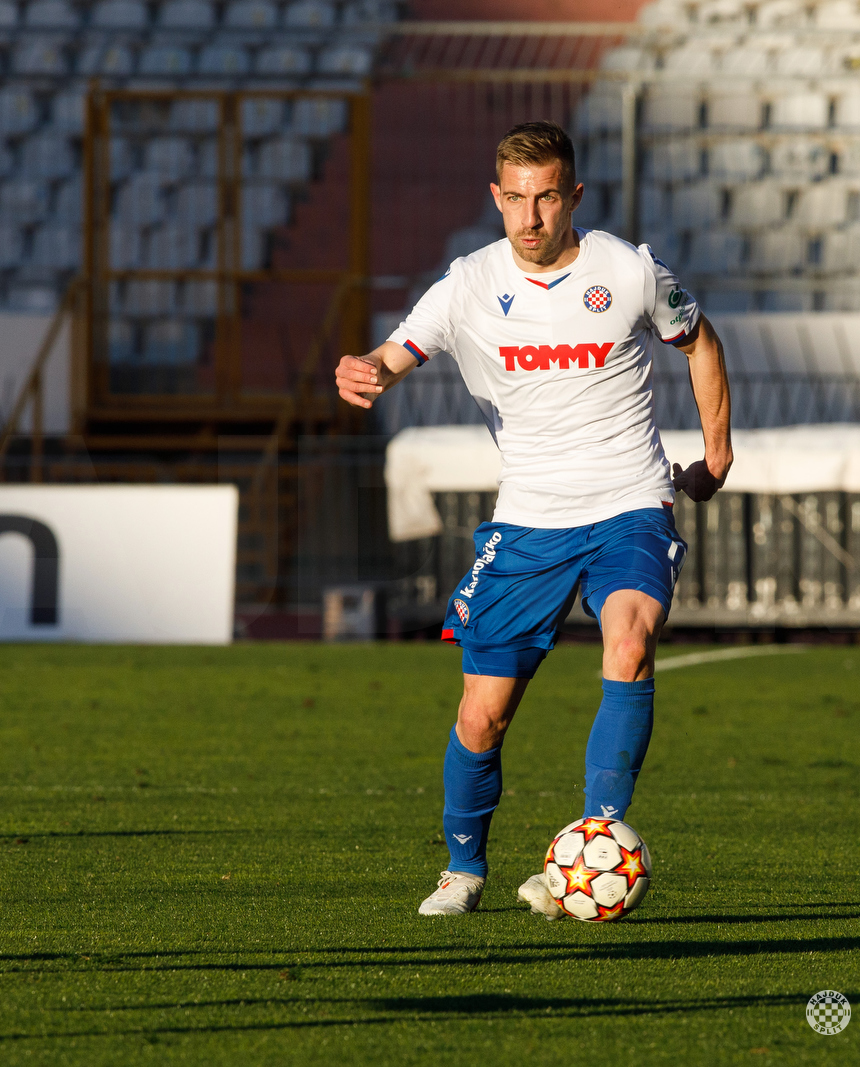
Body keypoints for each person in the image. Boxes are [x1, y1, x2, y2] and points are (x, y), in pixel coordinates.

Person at [334, 121, 734, 919]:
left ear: (573, 196)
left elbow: (699, 341)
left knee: (630, 640)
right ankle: (463, 871)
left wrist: (716, 457)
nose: (530, 217)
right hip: (527, 520)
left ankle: (596, 837)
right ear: (496, 197)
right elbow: (395, 351)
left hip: (629, 502)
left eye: (546, 197)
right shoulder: (467, 285)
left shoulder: (628, 271)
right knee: (481, 715)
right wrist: (367, 369)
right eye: (515, 199)